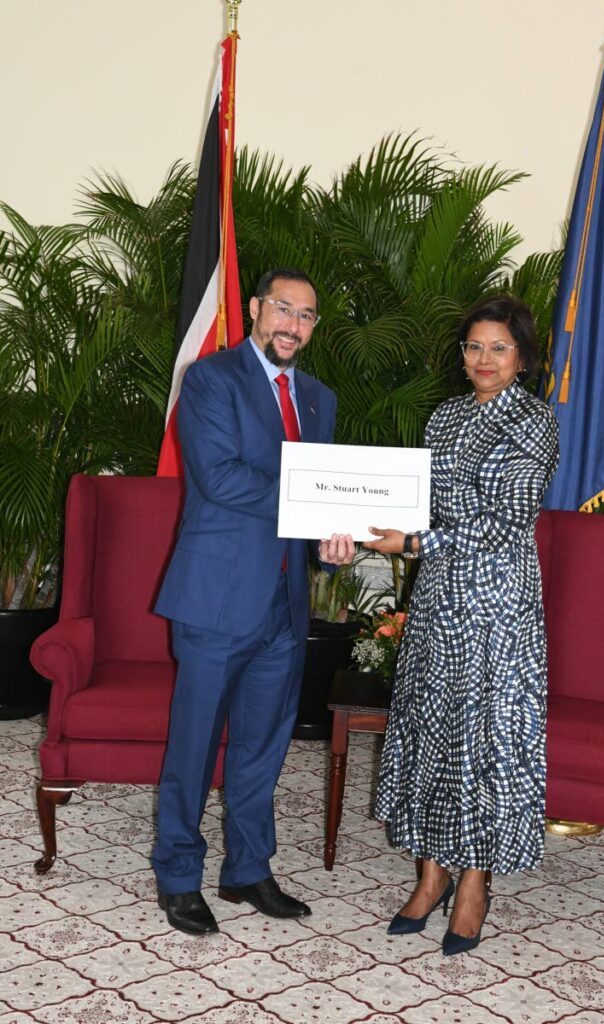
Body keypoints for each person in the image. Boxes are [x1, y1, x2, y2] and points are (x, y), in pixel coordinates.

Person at [152, 268, 354, 935]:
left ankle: (246, 869)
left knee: (262, 747)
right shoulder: (211, 379)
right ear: (253, 309)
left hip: (284, 603)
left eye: (306, 315)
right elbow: (220, 480)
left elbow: (322, 498)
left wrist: (331, 534)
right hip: (215, 598)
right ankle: (178, 874)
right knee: (194, 745)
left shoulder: (321, 398)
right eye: (282, 309)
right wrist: (315, 504)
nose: (292, 325)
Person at [364, 295, 559, 956]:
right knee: (429, 726)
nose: (482, 359)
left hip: (497, 602)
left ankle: (473, 884)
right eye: (473, 346)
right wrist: (362, 520)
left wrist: (413, 543)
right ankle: (429, 873)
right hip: (440, 596)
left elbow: (504, 522)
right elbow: (419, 502)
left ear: (523, 358)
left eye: (498, 348)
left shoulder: (533, 422)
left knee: (481, 740)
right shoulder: (443, 418)